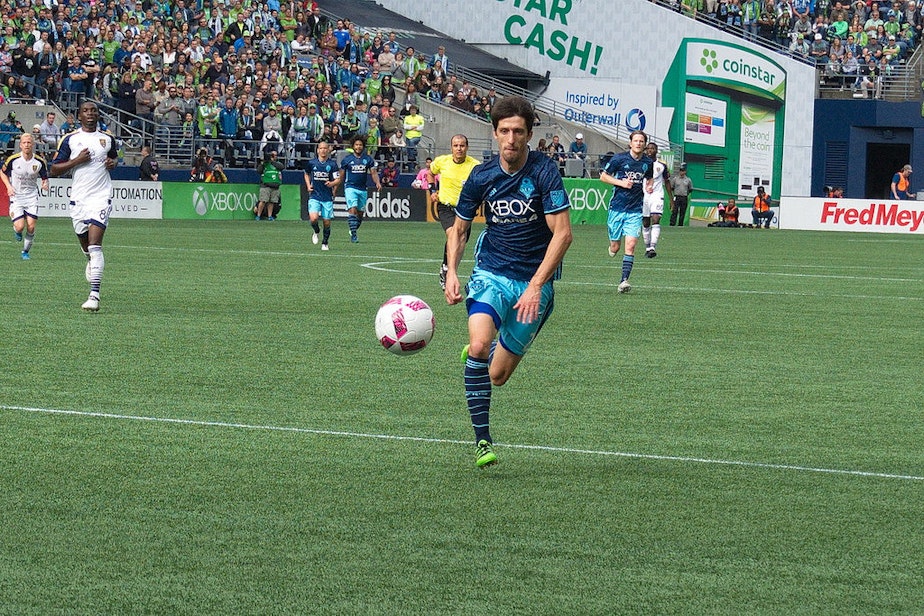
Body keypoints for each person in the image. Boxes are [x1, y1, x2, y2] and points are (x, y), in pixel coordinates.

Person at [444, 96, 572, 468]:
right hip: (491, 272)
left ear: (530, 134)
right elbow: (460, 228)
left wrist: (535, 285)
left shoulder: (544, 172)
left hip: (535, 283)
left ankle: (482, 356)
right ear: (495, 134)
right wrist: (452, 270)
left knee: (497, 376)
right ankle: (482, 442)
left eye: (518, 131)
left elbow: (562, 235)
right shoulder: (481, 176)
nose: (511, 139)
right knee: (480, 344)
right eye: (504, 131)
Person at [50, 101, 119, 312]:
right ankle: (90, 259)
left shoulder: (107, 139)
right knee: (86, 245)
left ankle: (94, 295)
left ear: (98, 115)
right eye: (86, 111)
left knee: (95, 245)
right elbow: (54, 169)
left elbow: (114, 159)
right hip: (78, 199)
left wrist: (112, 164)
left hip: (101, 196)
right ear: (79, 116)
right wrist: (76, 161)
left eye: (93, 111)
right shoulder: (70, 140)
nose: (90, 114)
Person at [599, 130, 653, 294]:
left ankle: (624, 280)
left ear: (644, 144)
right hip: (617, 208)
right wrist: (621, 183)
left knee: (631, 246)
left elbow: (649, 177)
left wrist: (649, 185)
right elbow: (603, 176)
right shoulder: (619, 159)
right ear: (630, 143)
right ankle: (613, 247)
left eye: (641, 141)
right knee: (615, 247)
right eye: (635, 140)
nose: (638, 143)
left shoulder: (647, 162)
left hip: (635, 210)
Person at [427, 134, 480, 289]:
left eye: (462, 145)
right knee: (453, 234)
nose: (459, 148)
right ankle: (450, 273)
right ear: (451, 147)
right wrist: (432, 190)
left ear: (467, 147)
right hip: (446, 206)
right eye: (456, 146)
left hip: (465, 209)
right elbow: (430, 173)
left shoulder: (475, 166)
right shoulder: (442, 161)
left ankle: (448, 268)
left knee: (461, 240)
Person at [2, 133, 48, 260]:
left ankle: (25, 251)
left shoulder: (39, 161)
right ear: (20, 145)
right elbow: (2, 172)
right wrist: (8, 186)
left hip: (31, 196)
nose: (27, 145)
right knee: (20, 226)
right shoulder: (13, 160)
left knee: (31, 226)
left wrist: (45, 184)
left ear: (32, 145)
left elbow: (45, 177)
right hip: (17, 196)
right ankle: (17, 231)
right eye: (24, 143)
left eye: (29, 142)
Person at [340, 136, 382, 242]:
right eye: (356, 145)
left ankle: (353, 229)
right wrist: (335, 187)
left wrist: (377, 182)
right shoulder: (347, 160)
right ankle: (354, 235)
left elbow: (373, 173)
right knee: (352, 209)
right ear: (353, 146)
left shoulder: (367, 159)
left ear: (363, 146)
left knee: (360, 215)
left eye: (360, 145)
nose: (358, 147)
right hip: (350, 187)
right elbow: (341, 175)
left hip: (363, 189)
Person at [303, 139, 340, 251]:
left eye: (325, 148)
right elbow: (306, 174)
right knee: (313, 219)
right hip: (315, 195)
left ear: (328, 150)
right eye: (321, 148)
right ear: (318, 150)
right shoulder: (312, 163)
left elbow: (338, 179)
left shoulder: (332, 164)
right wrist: (308, 185)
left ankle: (325, 242)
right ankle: (316, 231)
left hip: (327, 197)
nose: (323, 150)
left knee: (326, 222)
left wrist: (332, 183)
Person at [642, 142, 672, 258]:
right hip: (645, 195)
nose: (650, 150)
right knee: (645, 222)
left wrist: (671, 199)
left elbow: (667, 181)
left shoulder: (662, 165)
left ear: (656, 150)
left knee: (655, 218)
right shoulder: (642, 163)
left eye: (652, 148)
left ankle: (653, 247)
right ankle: (647, 247)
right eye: (648, 148)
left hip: (657, 195)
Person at [255, 149, 284, 220]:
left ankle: (270, 216)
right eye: (272, 155)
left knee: (272, 202)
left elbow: (281, 167)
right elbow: (259, 171)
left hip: (275, 185)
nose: (274, 157)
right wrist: (263, 162)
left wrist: (272, 162)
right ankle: (258, 215)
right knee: (263, 200)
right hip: (266, 185)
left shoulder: (277, 164)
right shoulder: (265, 164)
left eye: (275, 155)